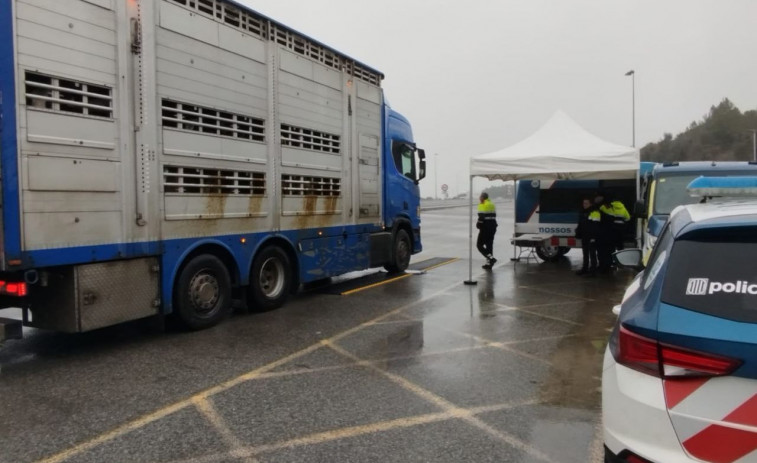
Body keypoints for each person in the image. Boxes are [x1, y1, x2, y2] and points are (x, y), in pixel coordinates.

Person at [575, 197, 600, 276]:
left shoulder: (595, 212)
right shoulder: (583, 212)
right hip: (584, 236)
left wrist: (593, 237)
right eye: (583, 203)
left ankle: (593, 271)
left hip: (591, 237)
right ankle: (584, 269)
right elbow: (581, 224)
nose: (584, 205)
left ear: (591, 204)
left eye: (586, 203)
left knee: (592, 254)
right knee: (585, 254)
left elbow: (596, 226)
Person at [476, 192, 498, 269]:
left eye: (480, 197)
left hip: (485, 228)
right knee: (489, 245)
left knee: (479, 245)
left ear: (482, 197)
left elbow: (481, 217)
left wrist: (478, 225)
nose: (479, 198)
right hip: (493, 227)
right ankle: (489, 264)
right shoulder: (492, 204)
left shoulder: (482, 204)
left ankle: (491, 259)